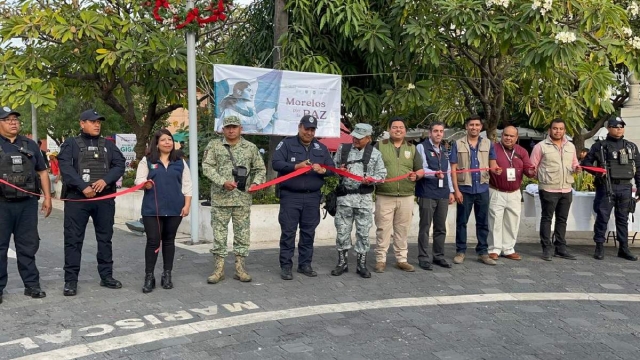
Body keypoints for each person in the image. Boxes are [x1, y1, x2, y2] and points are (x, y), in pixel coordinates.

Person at [58, 109, 126, 296]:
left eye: (99, 122)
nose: (97, 124)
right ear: (82, 123)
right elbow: (65, 167)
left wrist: (105, 180)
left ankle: (106, 276)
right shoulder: (70, 144)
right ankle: (70, 281)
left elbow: (119, 165)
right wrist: (83, 186)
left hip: (103, 200)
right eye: (92, 121)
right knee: (73, 240)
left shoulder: (108, 145)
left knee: (105, 239)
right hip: (77, 200)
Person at [203, 115, 266, 284]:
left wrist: (256, 183)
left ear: (241, 129)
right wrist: (222, 182)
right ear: (223, 129)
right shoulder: (214, 146)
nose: (231, 130)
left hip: (242, 199)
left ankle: (240, 268)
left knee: (242, 235)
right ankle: (219, 269)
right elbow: (207, 167)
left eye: (234, 127)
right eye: (228, 127)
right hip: (220, 199)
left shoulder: (250, 148)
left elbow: (260, 169)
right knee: (219, 235)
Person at [0, 106, 51, 305]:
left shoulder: (30, 145)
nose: (13, 122)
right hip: (2, 205)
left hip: (27, 204)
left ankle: (32, 285)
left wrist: (47, 198)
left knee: (28, 246)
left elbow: (43, 172)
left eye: (15, 119)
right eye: (7, 119)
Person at [273, 115, 334, 280]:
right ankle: (286, 266)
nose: (309, 132)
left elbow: (332, 168)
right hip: (290, 197)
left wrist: (324, 171)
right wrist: (295, 167)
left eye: (312, 129)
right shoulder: (286, 144)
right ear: (300, 127)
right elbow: (276, 163)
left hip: (312, 197)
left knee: (308, 232)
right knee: (288, 232)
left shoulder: (321, 148)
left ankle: (305, 264)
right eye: (306, 128)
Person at [135, 129, 193, 293]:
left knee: (169, 241)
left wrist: (187, 205)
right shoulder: (147, 161)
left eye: (170, 139)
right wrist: (144, 183)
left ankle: (167, 275)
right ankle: (149, 276)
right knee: (153, 241)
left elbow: (187, 185)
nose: (167, 142)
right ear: (157, 143)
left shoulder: (180, 162)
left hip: (175, 208)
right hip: (152, 209)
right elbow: (139, 179)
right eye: (163, 140)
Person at [331, 123, 386, 279]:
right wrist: (339, 171)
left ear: (368, 138)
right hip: (345, 199)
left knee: (363, 233)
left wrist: (371, 180)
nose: (355, 139)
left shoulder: (375, 154)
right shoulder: (344, 149)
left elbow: (382, 175)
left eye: (360, 138)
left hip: (364, 200)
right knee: (342, 232)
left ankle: (361, 264)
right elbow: (333, 169)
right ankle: (342, 263)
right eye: (354, 136)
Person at [582, 116, 638, 261]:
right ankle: (599, 246)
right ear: (608, 128)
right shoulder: (599, 146)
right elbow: (586, 163)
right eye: (615, 126)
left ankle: (623, 248)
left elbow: (638, 168)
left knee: (623, 219)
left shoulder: (631, 146)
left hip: (626, 187)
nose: (619, 129)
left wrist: (639, 187)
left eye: (621, 126)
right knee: (602, 218)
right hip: (607, 186)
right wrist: (598, 172)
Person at [373, 117, 424, 273]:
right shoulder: (379, 146)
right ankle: (380, 260)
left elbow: (420, 169)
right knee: (383, 229)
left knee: (402, 229)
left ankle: (401, 259)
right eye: (394, 127)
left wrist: (417, 175)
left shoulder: (412, 148)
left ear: (405, 130)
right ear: (389, 130)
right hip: (384, 194)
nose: (398, 130)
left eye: (401, 127)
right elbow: (370, 166)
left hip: (406, 196)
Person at [450, 115, 502, 266]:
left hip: (482, 188)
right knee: (462, 222)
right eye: (471, 125)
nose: (474, 127)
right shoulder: (457, 144)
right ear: (466, 126)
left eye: (477, 125)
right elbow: (452, 168)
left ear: (481, 127)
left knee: (483, 222)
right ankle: (460, 251)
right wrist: (456, 190)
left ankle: (483, 252)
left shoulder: (488, 143)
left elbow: (492, 162)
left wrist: (495, 169)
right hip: (464, 189)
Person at [530, 118, 581, 261]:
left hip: (566, 189)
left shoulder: (570, 146)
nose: (558, 131)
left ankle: (560, 248)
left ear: (564, 130)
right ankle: (546, 248)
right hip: (548, 188)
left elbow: (575, 163)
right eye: (555, 128)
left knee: (562, 220)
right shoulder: (540, 146)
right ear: (549, 130)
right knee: (547, 218)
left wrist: (577, 169)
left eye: (560, 129)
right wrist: (540, 177)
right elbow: (532, 167)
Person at [487, 126, 536, 261]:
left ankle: (508, 249)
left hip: (514, 192)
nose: (508, 138)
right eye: (506, 135)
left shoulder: (522, 151)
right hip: (496, 190)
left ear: (516, 137)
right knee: (494, 221)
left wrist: (532, 172)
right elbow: (486, 166)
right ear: (501, 136)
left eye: (511, 136)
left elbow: (528, 169)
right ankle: (494, 249)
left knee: (512, 221)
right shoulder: (493, 149)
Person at [415, 121, 454, 271]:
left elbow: (448, 172)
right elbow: (421, 168)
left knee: (441, 227)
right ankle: (423, 258)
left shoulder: (444, 149)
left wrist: (450, 190)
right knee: (425, 227)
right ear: (430, 133)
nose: (438, 134)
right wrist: (433, 173)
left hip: (442, 193)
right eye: (435, 131)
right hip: (427, 192)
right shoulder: (422, 147)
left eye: (441, 131)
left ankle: (438, 256)